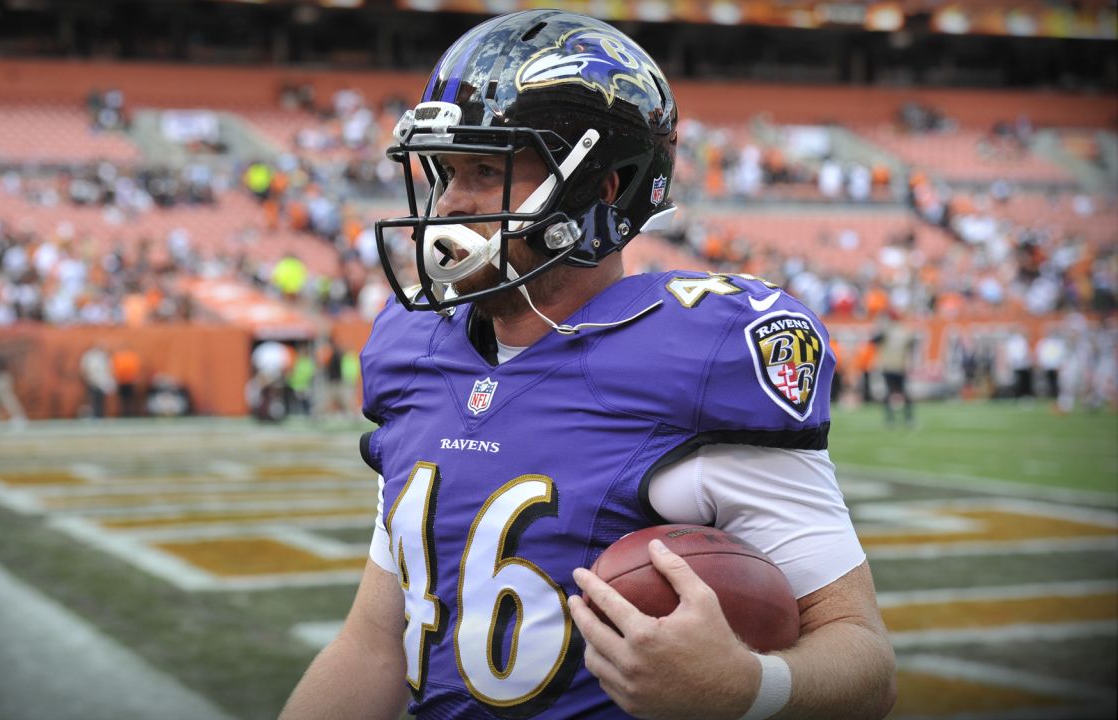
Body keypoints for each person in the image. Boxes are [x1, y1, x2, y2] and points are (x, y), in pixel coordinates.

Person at [282, 11, 895, 720]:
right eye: (448, 172)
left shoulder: (696, 357)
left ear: (603, 191)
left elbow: (864, 661)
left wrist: (749, 687)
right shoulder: (413, 349)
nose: (449, 204)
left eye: (486, 170)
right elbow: (374, 644)